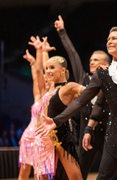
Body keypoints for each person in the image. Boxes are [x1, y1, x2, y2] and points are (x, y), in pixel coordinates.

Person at [38, 26, 117, 180]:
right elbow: (81, 100)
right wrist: (57, 120)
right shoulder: (102, 74)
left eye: (114, 38)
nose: (109, 41)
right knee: (104, 177)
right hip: (115, 135)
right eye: (108, 39)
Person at [54, 15, 112, 179]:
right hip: (86, 133)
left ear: (106, 63)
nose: (92, 62)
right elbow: (72, 54)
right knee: (80, 171)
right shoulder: (83, 78)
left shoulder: (113, 79)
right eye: (90, 60)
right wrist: (62, 32)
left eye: (96, 59)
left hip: (109, 132)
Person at [38, 55, 85, 180]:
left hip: (61, 137)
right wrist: (42, 51)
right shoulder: (51, 89)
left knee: (74, 177)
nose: (48, 71)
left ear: (63, 70)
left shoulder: (68, 87)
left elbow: (90, 93)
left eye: (52, 67)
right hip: (45, 139)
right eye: (47, 68)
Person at [18, 36, 55, 180]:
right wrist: (35, 58)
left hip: (42, 138)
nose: (45, 79)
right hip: (28, 138)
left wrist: (42, 52)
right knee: (23, 174)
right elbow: (38, 73)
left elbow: (44, 70)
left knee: (42, 175)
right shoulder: (38, 95)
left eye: (48, 77)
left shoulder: (52, 94)